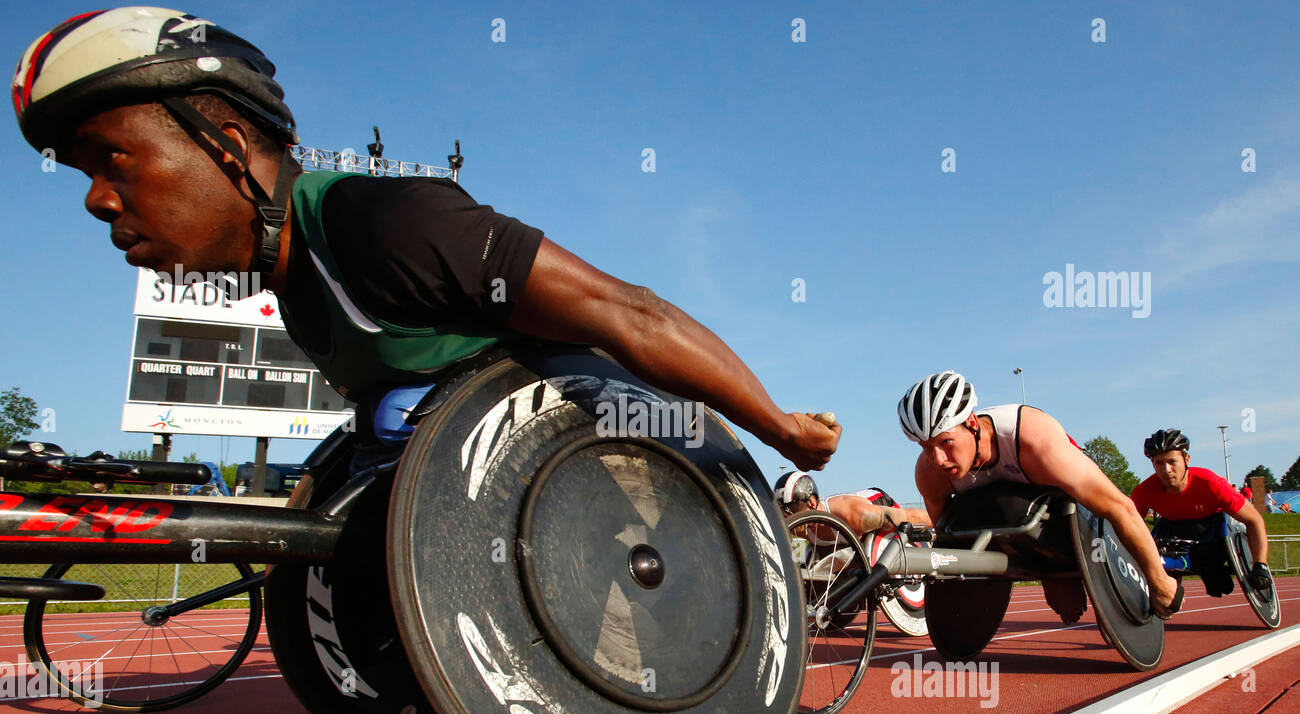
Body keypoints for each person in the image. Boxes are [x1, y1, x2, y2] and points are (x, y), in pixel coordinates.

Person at [13, 7, 840, 473]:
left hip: (637, 464)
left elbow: (632, 312)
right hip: (501, 489)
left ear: (227, 146)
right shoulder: (299, 284)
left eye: (109, 159)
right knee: (377, 432)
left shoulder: (383, 221)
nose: (94, 200)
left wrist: (780, 430)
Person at [899, 371, 1183, 617]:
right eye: (925, 447)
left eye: (945, 442)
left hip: (1064, 508)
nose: (937, 458)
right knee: (965, 517)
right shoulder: (929, 473)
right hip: (1010, 523)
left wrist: (1159, 581)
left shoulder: (1034, 440)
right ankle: (1052, 572)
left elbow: (1120, 508)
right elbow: (951, 541)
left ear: (972, 424)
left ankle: (1065, 570)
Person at [1133, 430, 1271, 597]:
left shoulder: (1211, 484)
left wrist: (1260, 565)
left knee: (1219, 585)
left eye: (1172, 461)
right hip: (1171, 528)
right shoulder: (1144, 491)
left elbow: (1254, 520)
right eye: (1159, 463)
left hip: (1211, 528)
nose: (1166, 469)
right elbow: (1129, 525)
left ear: (1186, 460)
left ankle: (1211, 568)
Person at [772, 471, 931, 533]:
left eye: (791, 509)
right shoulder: (801, 530)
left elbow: (909, 516)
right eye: (783, 511)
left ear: (812, 503)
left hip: (875, 505)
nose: (788, 517)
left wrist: (942, 521)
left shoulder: (853, 514)